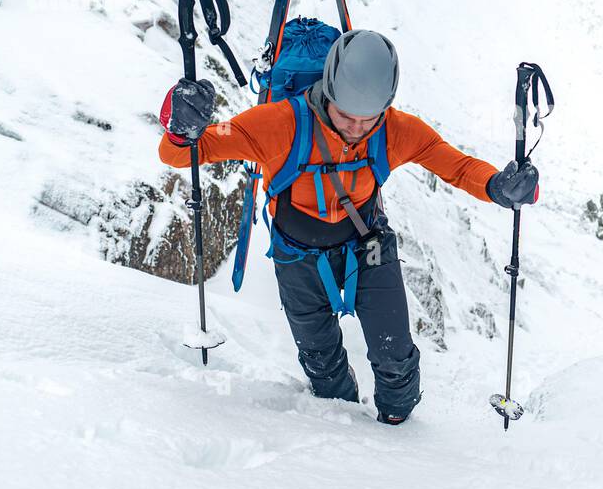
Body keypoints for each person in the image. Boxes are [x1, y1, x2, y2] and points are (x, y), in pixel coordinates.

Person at [157, 29, 540, 425]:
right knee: (322, 367)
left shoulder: (395, 129)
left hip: (366, 245)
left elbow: (456, 166)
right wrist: (180, 124)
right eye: (346, 116)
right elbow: (179, 152)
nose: (357, 128)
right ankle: (347, 441)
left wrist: (498, 186)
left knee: (396, 360)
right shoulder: (277, 124)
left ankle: (401, 431)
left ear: (386, 107)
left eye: (368, 119)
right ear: (328, 91)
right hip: (298, 257)